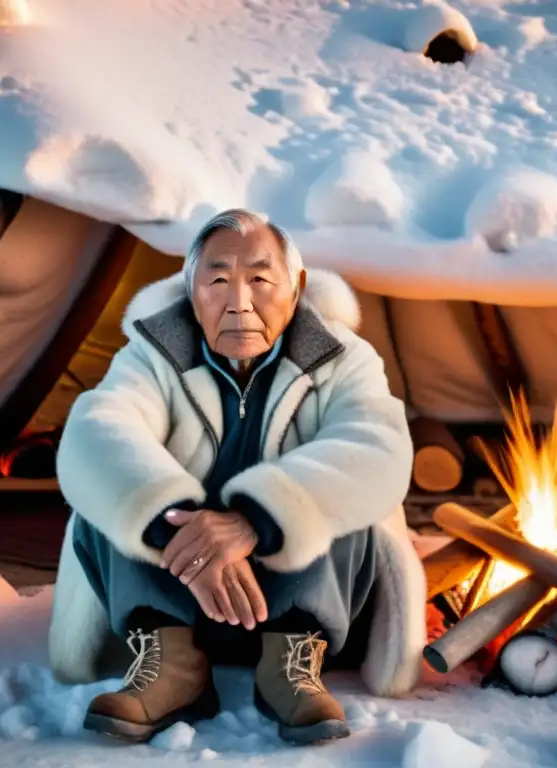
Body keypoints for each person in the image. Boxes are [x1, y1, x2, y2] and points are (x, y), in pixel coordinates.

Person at [47, 209, 427, 746]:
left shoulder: (343, 359)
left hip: (303, 598)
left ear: (295, 289)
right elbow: (99, 430)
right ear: (190, 289)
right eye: (218, 280)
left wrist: (257, 520)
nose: (239, 302)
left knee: (347, 502)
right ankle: (170, 662)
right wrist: (174, 528)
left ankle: (291, 663)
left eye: (261, 280)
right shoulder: (153, 354)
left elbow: (376, 445)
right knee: (109, 494)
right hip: (178, 590)